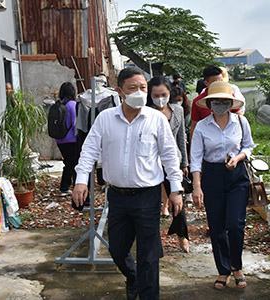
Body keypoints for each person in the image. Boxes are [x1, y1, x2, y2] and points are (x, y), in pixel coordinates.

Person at [73, 68, 184, 300]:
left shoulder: (156, 120)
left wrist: (176, 190)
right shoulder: (105, 119)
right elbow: (89, 150)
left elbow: (170, 157)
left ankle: (148, 295)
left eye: (143, 88)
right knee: (117, 249)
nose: (139, 92)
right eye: (133, 88)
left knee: (149, 255)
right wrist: (81, 181)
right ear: (120, 91)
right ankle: (133, 277)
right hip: (118, 197)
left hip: (148, 196)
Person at [190, 81, 255, 290]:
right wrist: (197, 186)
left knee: (235, 224)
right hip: (212, 176)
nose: (220, 104)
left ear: (231, 103)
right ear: (209, 104)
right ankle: (223, 270)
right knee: (217, 226)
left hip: (236, 175)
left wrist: (238, 158)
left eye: (224, 101)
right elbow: (196, 158)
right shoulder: (201, 126)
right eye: (216, 101)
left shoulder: (241, 122)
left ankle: (237, 266)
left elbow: (248, 146)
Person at [147, 76, 190, 253]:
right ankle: (153, 241)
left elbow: (182, 137)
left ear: (169, 93)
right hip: (150, 162)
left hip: (173, 161)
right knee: (151, 202)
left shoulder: (177, 110)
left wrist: (184, 162)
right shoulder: (146, 112)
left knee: (178, 200)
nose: (160, 98)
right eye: (156, 95)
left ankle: (183, 236)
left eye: (163, 94)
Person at [190, 65, 245, 137]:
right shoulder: (197, 102)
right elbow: (194, 124)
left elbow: (238, 115)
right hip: (208, 140)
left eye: (221, 81)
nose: (219, 84)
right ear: (206, 83)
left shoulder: (229, 96)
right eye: (215, 82)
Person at [55, 82, 80, 196]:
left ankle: (68, 186)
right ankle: (67, 187)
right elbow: (75, 124)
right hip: (72, 139)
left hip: (60, 140)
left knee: (69, 163)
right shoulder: (73, 105)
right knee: (74, 163)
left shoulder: (59, 104)